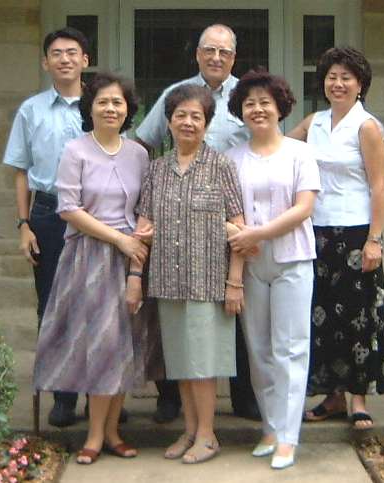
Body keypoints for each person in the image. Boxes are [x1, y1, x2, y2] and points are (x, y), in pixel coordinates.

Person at [136, 23, 258, 423]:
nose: (216, 58)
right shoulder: (176, 95)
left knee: (229, 318)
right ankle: (172, 402)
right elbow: (144, 140)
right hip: (176, 217)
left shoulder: (245, 97)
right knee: (174, 330)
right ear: (198, 54)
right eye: (209, 50)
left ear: (233, 57)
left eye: (224, 51)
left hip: (230, 217)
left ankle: (242, 398)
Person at [33, 72, 152, 464]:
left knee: (124, 345)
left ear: (128, 109)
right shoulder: (76, 151)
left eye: (118, 102)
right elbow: (69, 209)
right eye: (103, 102)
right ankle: (95, 434)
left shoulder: (138, 153)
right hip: (90, 256)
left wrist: (135, 247)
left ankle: (113, 431)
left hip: (131, 258)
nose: (111, 108)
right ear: (90, 107)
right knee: (101, 345)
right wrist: (118, 239)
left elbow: (143, 210)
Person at [131, 84, 245, 463]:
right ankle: (191, 430)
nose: (188, 122)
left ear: (207, 123)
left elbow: (239, 228)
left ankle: (208, 435)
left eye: (196, 116)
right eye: (181, 115)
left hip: (208, 282)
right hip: (167, 279)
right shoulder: (157, 170)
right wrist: (135, 275)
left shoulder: (221, 165)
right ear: (168, 121)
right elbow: (143, 227)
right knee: (181, 361)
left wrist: (235, 282)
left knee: (203, 363)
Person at [288, 46, 384, 429]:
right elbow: (282, 149)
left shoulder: (366, 126)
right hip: (315, 231)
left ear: (360, 84)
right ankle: (331, 396)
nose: (338, 83)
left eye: (346, 77)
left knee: (357, 314)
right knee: (322, 314)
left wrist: (375, 240)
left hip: (356, 233)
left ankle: (358, 398)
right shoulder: (313, 122)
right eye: (332, 76)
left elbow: (379, 187)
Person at [226, 70, 320, 470]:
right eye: (250, 103)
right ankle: (269, 426)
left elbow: (304, 208)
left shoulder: (300, 153)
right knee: (258, 349)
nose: (258, 109)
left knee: (290, 348)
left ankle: (288, 435)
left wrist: (258, 233)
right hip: (249, 263)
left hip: (292, 259)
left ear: (280, 107)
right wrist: (240, 235)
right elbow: (226, 211)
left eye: (266, 102)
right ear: (241, 111)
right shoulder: (231, 158)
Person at [3, 27, 90, 427]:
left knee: (98, 303)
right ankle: (64, 397)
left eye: (73, 52)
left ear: (85, 60)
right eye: (56, 53)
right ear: (46, 62)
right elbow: (20, 171)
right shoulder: (31, 110)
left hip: (97, 215)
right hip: (48, 214)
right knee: (54, 306)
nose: (65, 59)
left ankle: (103, 397)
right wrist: (24, 224)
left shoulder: (103, 104)